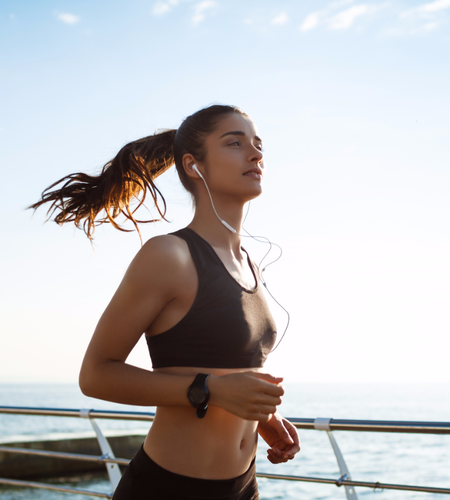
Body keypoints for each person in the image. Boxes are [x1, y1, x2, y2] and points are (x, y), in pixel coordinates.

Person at [29, 104, 300, 499]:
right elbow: (95, 374)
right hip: (170, 488)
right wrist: (214, 391)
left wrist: (263, 417)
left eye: (257, 144)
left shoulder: (249, 264)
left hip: (243, 486)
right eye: (235, 143)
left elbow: (226, 371)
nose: (256, 154)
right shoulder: (169, 256)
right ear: (194, 165)